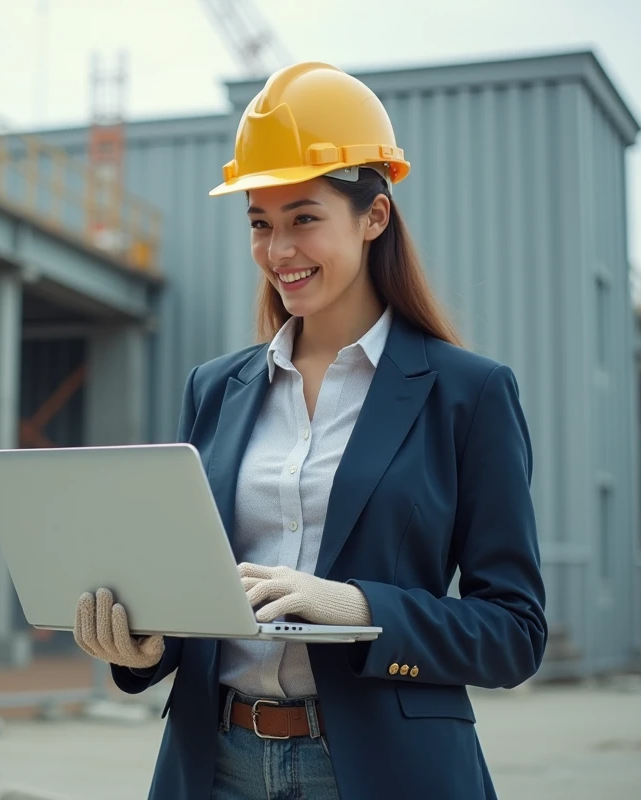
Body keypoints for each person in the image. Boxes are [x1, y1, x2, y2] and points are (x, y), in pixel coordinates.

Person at [72, 61, 547, 800]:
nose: (278, 251)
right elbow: (194, 593)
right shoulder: (216, 388)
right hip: (215, 760)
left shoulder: (469, 394)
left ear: (374, 216)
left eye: (304, 218)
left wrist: (357, 609)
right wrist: (142, 645)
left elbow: (514, 633)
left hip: (382, 770)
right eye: (261, 224)